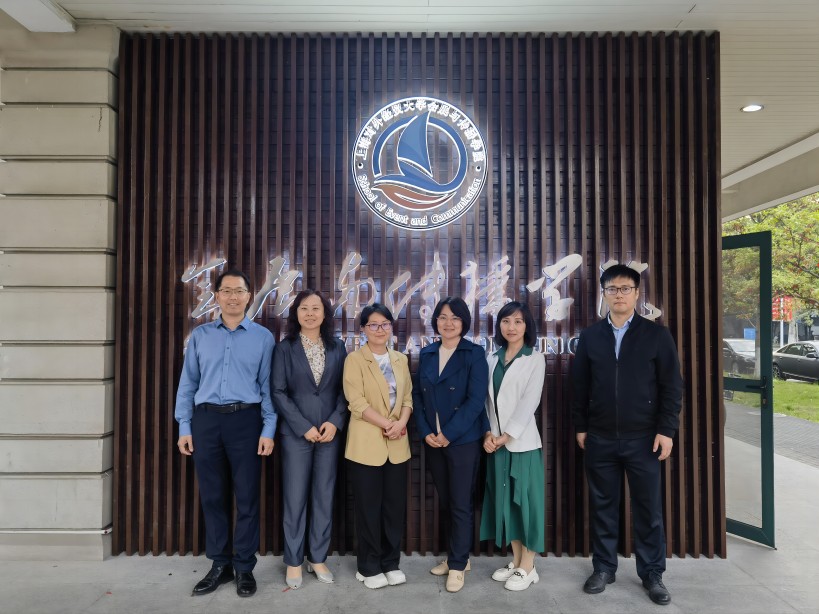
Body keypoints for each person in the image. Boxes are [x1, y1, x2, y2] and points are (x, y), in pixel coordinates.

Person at [571, 264, 683, 606]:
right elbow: (579, 386)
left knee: (648, 509)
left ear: (636, 294)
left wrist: (666, 430)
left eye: (625, 289)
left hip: (644, 438)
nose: (618, 294)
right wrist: (581, 426)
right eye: (612, 289)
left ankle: (652, 574)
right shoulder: (591, 336)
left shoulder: (656, 335)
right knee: (603, 507)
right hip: (600, 437)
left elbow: (672, 386)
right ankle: (604, 568)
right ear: (604, 294)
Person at [175, 268, 276, 598]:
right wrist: (184, 425)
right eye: (227, 291)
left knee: (247, 497)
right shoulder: (201, 336)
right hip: (206, 422)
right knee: (212, 496)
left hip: (246, 421)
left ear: (249, 296)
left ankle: (244, 566)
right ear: (216, 296)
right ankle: (220, 564)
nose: (233, 297)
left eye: (239, 291)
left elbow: (267, 387)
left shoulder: (263, 338)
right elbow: (188, 384)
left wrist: (269, 428)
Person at [271, 289, 347, 589]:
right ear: (296, 313)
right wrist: (303, 426)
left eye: (316, 308)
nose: (310, 313)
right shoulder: (284, 348)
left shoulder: (338, 347)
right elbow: (278, 392)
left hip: (329, 434)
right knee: (295, 498)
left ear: (325, 314)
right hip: (296, 435)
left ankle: (317, 557)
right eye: (304, 308)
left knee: (323, 496)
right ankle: (293, 561)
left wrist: (335, 422)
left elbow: (345, 390)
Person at [413, 296, 489, 593]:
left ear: (464, 322)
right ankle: (458, 556)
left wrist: (449, 434)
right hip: (433, 440)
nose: (448, 323)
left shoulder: (474, 353)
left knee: (460, 503)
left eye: (455, 318)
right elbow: (418, 397)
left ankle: (458, 565)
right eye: (443, 317)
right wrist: (426, 432)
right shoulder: (428, 353)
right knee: (447, 501)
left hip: (462, 440)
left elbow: (475, 401)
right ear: (436, 321)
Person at [342, 303, 413, 590]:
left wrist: (401, 422)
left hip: (398, 444)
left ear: (391, 327)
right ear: (363, 329)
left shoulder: (400, 359)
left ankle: (390, 562)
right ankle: (368, 566)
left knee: (393, 508)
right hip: (366, 444)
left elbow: (407, 399)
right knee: (368, 508)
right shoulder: (354, 360)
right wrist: (387, 424)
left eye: (384, 324)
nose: (379, 329)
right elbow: (356, 402)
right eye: (373, 324)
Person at [480, 301, 546, 592]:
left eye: (518, 321)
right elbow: (485, 402)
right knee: (507, 503)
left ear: (527, 326)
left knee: (526, 504)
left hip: (522, 443)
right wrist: (488, 433)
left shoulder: (535, 358)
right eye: (506, 321)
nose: (512, 327)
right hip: (495, 443)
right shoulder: (491, 358)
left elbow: (530, 401)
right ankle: (517, 561)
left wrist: (506, 436)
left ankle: (528, 566)